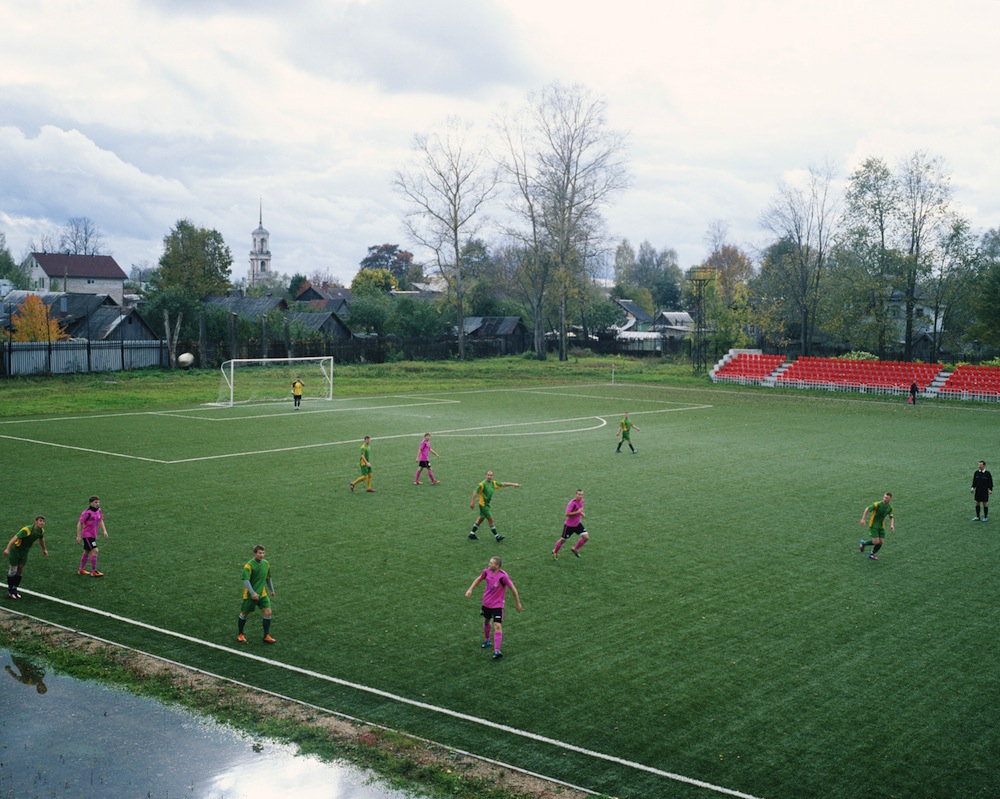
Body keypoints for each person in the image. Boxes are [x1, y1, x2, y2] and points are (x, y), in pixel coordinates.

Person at [465, 556, 523, 660]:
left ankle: (497, 650)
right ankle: (487, 640)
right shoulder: (486, 572)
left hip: (498, 605)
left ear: (497, 566)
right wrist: (470, 589)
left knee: (497, 625)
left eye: (491, 563)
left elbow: (513, 589)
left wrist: (517, 603)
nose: (489, 564)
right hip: (486, 603)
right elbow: (478, 579)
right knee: (487, 621)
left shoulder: (503, 577)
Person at [237, 544, 276, 644]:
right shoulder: (249, 565)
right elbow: (246, 580)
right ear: (255, 553)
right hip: (250, 595)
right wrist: (252, 592)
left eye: (263, 553)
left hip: (262, 594)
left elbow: (268, 577)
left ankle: (266, 635)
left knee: (268, 612)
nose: (262, 555)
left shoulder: (266, 564)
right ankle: (240, 634)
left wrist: (272, 589)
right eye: (259, 553)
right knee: (244, 614)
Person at [4, 516, 48, 600]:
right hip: (16, 550)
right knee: (13, 569)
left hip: (25, 551)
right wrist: (8, 549)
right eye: (40, 521)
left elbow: (41, 540)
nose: (42, 523)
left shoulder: (41, 531)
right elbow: (14, 538)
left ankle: (15, 589)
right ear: (35, 522)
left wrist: (44, 549)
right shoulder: (26, 530)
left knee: (20, 569)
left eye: (43, 521)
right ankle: (10, 591)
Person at [469, 470, 520, 541]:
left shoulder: (493, 483)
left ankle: (472, 534)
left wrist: (514, 484)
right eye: (488, 475)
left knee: (481, 519)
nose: (489, 477)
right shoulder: (482, 484)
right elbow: (475, 492)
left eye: (491, 475)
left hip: (486, 504)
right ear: (486, 476)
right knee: (491, 519)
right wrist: (472, 503)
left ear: (492, 476)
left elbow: (503, 484)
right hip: (483, 505)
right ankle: (497, 536)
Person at [76, 495, 109, 577]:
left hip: (93, 534)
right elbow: (80, 523)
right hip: (87, 535)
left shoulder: (98, 511)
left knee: (87, 551)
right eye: (95, 502)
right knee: (95, 550)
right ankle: (94, 571)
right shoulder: (87, 513)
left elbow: (100, 520)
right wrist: (79, 536)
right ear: (91, 503)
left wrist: (104, 531)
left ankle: (81, 570)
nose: (97, 504)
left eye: (98, 502)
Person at [552, 489, 589, 559]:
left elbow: (579, 510)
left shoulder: (582, 501)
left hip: (577, 524)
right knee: (563, 540)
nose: (580, 496)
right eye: (579, 494)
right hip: (569, 526)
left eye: (581, 494)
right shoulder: (572, 503)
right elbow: (567, 514)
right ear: (576, 495)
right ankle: (555, 552)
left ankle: (575, 549)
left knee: (586, 537)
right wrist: (578, 512)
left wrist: (581, 513)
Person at [859, 492, 894, 560]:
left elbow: (891, 517)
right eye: (884, 497)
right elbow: (867, 509)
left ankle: (872, 554)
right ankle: (863, 543)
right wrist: (863, 519)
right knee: (876, 542)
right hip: (873, 524)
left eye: (887, 498)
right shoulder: (877, 504)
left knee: (881, 542)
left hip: (881, 526)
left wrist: (892, 525)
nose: (885, 499)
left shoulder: (890, 508)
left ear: (890, 499)